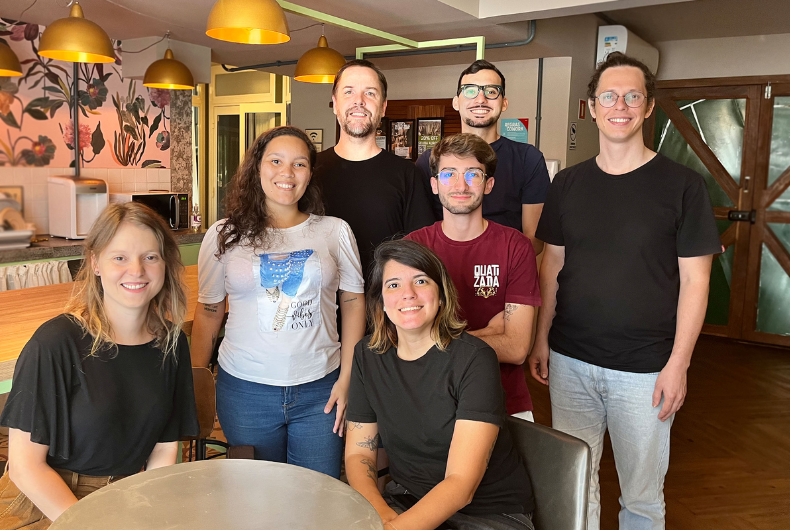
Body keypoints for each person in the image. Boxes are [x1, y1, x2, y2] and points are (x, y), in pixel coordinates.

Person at [529, 52, 721, 530]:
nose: (620, 105)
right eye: (609, 96)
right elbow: (552, 265)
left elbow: (696, 281)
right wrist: (541, 339)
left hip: (646, 369)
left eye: (633, 96)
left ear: (648, 106)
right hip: (570, 362)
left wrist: (679, 364)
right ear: (592, 107)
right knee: (575, 487)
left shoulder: (683, 186)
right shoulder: (568, 184)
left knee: (642, 497)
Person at [0, 202, 199, 528]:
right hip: (48, 500)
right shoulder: (56, 342)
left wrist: (150, 512)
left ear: (165, 263)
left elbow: (164, 449)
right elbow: (26, 468)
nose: (136, 270)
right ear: (95, 263)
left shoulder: (171, 343)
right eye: (119, 257)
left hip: (126, 494)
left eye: (150, 257)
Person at [191, 126, 366, 479]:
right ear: (257, 168)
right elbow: (209, 311)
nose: (287, 172)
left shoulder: (334, 231)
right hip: (245, 391)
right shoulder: (224, 235)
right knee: (257, 497)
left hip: (322, 389)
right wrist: (195, 383)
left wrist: (348, 378)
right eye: (275, 161)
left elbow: (353, 302)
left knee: (317, 493)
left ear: (309, 174)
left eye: (299, 164)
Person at [346, 239, 535, 530]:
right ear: (381, 301)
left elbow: (461, 485)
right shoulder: (366, 355)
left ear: (442, 295)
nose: (408, 294)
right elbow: (359, 453)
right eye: (393, 285)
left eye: (421, 281)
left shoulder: (475, 358)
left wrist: (392, 529)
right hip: (406, 500)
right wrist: (381, 515)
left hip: (489, 514)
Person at [406, 134, 540, 421]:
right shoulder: (412, 248)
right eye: (448, 174)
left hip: (504, 399)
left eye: (473, 174)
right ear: (434, 184)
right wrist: (490, 333)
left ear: (488, 184)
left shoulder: (516, 246)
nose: (461, 185)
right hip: (429, 398)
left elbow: (517, 348)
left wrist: (436, 340)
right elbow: (407, 343)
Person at [314, 59, 436, 284]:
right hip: (319, 302)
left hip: (385, 302)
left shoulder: (407, 175)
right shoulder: (310, 171)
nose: (359, 101)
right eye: (349, 92)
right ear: (335, 103)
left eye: (370, 93)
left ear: (383, 106)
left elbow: (420, 252)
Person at [415, 60, 550, 254]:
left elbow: (534, 241)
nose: (480, 99)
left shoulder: (528, 159)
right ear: (456, 102)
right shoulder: (428, 161)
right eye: (470, 90)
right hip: (443, 267)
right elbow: (423, 235)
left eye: (491, 91)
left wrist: (488, 266)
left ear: (504, 103)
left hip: (505, 267)